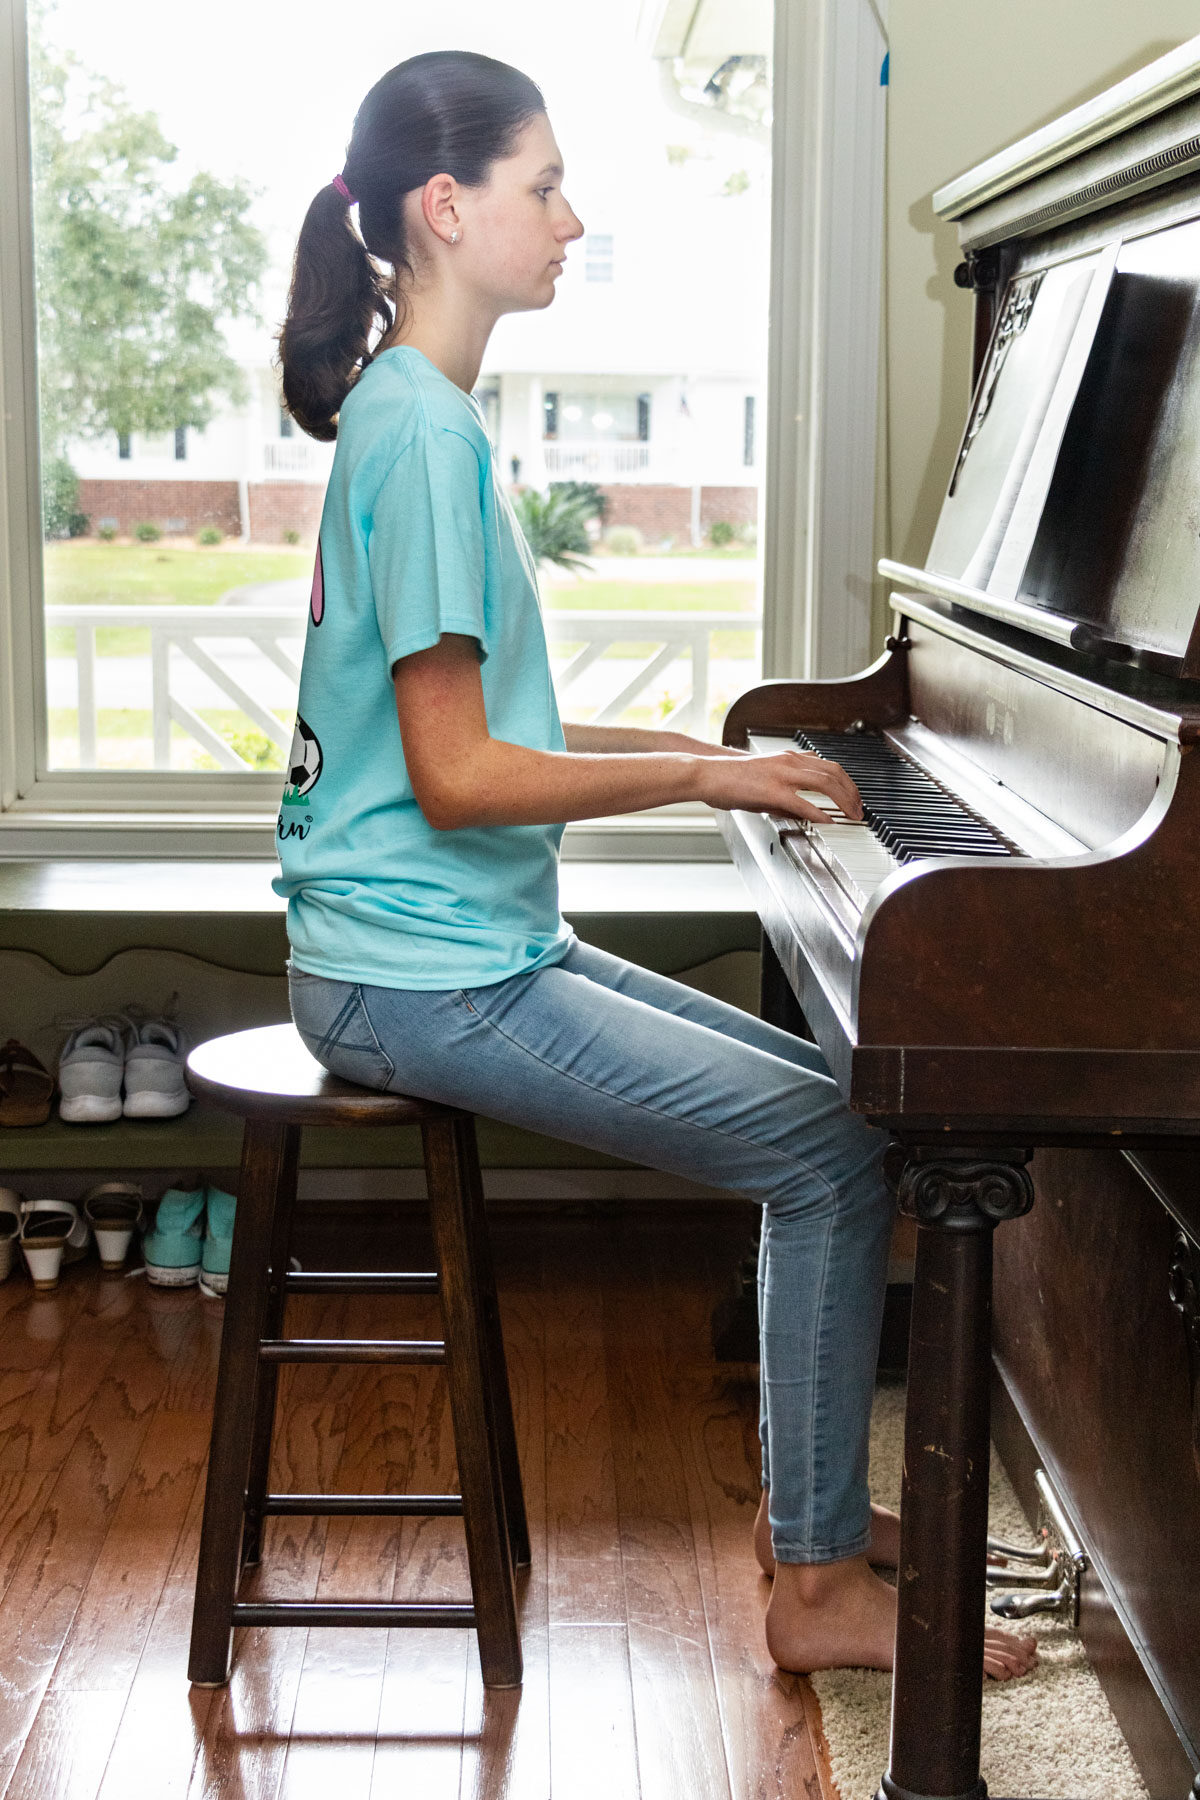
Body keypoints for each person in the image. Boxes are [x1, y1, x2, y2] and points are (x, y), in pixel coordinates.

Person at [273, 48, 1036, 1682]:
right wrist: (702, 771)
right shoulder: (418, 437)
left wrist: (712, 756)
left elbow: (490, 724)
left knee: (850, 1111)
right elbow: (460, 774)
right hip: (416, 977)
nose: (568, 219)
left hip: (453, 945)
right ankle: (819, 1584)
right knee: (830, 1156)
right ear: (446, 205)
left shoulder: (422, 417)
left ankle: (810, 1512)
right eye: (545, 188)